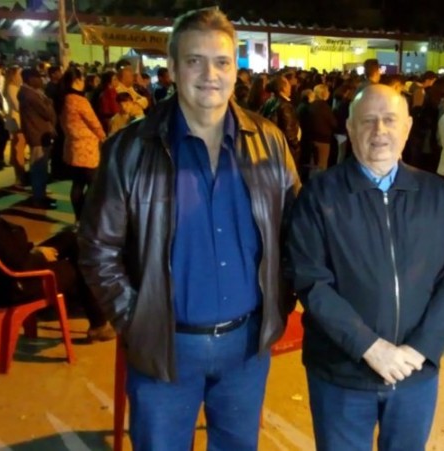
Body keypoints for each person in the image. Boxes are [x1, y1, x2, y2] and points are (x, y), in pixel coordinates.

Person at [77, 7, 300, 450]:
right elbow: (97, 246)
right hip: (165, 349)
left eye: (221, 62)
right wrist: (134, 320)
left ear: (235, 70)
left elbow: (296, 234)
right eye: (195, 61)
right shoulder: (129, 149)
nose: (210, 75)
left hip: (246, 348)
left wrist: (280, 302)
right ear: (174, 68)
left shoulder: (269, 142)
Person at [287, 84, 444, 451]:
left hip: (414, 373)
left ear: (408, 127)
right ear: (350, 128)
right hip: (341, 374)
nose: (379, 130)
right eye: (368, 120)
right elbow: (311, 282)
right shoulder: (320, 195)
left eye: (389, 120)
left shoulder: (434, 193)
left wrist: (419, 350)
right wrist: (370, 347)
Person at [0, 177, 114, 341]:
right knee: (79, 266)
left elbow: (9, 255)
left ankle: (83, 301)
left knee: (70, 239)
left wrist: (35, 251)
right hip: (17, 285)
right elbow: (20, 265)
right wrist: (39, 255)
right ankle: (98, 323)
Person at [60, 67, 106, 221]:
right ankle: (88, 217)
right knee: (95, 185)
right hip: (87, 149)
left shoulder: (63, 99)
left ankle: (79, 218)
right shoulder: (79, 100)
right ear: (77, 80)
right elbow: (93, 122)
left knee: (78, 184)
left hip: (72, 146)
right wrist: (104, 137)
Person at [18, 68, 57, 210]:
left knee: (40, 167)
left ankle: (40, 195)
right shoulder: (30, 95)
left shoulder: (30, 93)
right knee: (39, 168)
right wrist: (49, 102)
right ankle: (38, 198)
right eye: (38, 77)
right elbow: (48, 113)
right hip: (37, 135)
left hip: (39, 134)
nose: (41, 80)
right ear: (30, 79)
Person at [4, 66, 27, 187]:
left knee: (18, 148)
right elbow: (17, 105)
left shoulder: (16, 87)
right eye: (19, 74)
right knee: (19, 148)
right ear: (14, 76)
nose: (21, 76)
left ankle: (20, 174)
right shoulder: (12, 88)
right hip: (17, 121)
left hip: (17, 120)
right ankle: (20, 175)